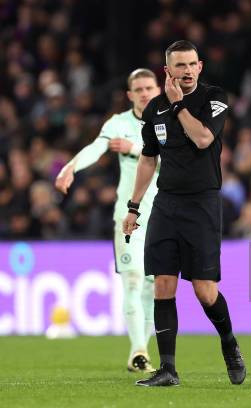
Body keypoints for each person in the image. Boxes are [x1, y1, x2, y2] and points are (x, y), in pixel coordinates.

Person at [123, 40, 246, 387]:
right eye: (180, 66)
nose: (187, 71)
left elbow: (204, 138)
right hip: (167, 203)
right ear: (168, 71)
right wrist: (133, 206)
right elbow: (148, 157)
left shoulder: (215, 98)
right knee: (163, 283)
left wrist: (178, 106)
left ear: (200, 66)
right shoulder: (154, 109)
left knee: (205, 291)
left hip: (202, 203)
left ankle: (229, 342)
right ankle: (168, 369)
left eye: (192, 64)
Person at [55, 68, 161, 373]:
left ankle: (144, 347)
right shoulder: (118, 124)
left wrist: (135, 149)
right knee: (132, 279)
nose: (143, 93)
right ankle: (138, 351)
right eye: (138, 89)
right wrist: (71, 167)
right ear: (130, 95)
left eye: (148, 88)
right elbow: (96, 147)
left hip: (165, 217)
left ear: (158, 90)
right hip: (129, 216)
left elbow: (174, 163)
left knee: (154, 286)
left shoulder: (170, 122)